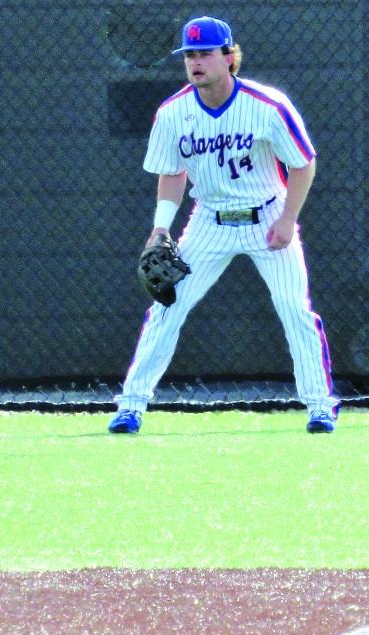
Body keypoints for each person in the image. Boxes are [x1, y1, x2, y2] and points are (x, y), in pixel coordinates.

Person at [108, 16, 338, 434]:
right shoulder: (173, 113)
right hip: (209, 220)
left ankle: (320, 406)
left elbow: (303, 164)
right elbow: (172, 172)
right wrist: (161, 229)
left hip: (268, 216)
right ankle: (131, 405)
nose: (195, 62)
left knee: (293, 308)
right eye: (189, 55)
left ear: (229, 57)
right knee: (166, 307)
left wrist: (288, 219)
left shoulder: (268, 105)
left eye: (205, 53)